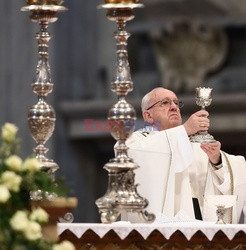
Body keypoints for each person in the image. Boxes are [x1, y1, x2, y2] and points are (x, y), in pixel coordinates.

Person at [122, 87, 246, 223]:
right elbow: (135, 155)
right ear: (148, 116)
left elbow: (233, 171)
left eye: (176, 103)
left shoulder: (193, 142)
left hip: (198, 219)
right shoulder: (136, 141)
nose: (174, 107)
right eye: (165, 103)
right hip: (158, 226)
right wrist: (185, 129)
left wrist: (217, 160)